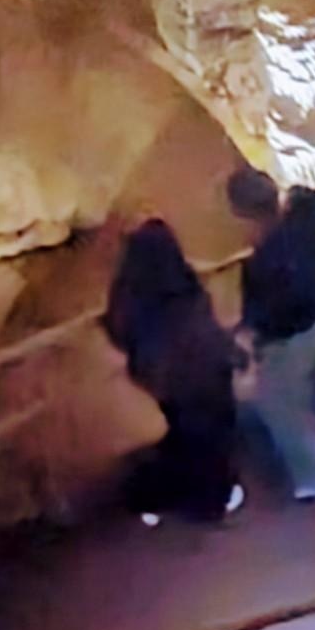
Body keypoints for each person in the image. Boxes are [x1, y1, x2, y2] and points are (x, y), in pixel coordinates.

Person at [102, 217, 243, 524]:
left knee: (184, 439)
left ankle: (167, 498)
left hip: (170, 381)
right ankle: (211, 500)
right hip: (209, 371)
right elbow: (205, 322)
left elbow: (118, 328)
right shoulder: (183, 279)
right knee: (212, 439)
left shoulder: (131, 292)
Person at [227, 161, 315, 503]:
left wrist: (251, 335)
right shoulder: (311, 204)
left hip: (295, 329)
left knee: (277, 401)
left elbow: (268, 314)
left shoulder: (265, 261)